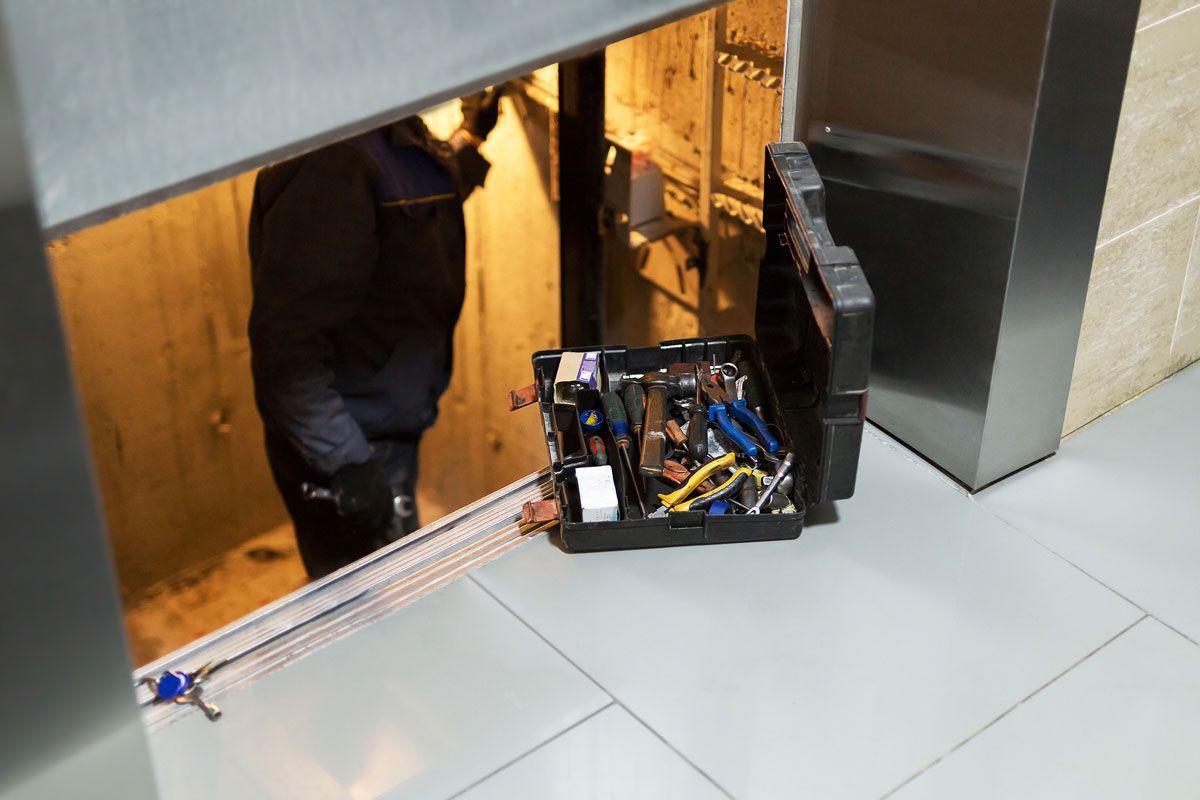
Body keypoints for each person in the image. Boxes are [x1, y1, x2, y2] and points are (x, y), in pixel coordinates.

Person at [247, 90, 502, 578]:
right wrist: (348, 466)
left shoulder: (386, 131)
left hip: (382, 423)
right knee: (374, 604)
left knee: (392, 585)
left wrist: (469, 139)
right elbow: (286, 355)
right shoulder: (331, 166)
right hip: (350, 440)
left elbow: (412, 216)